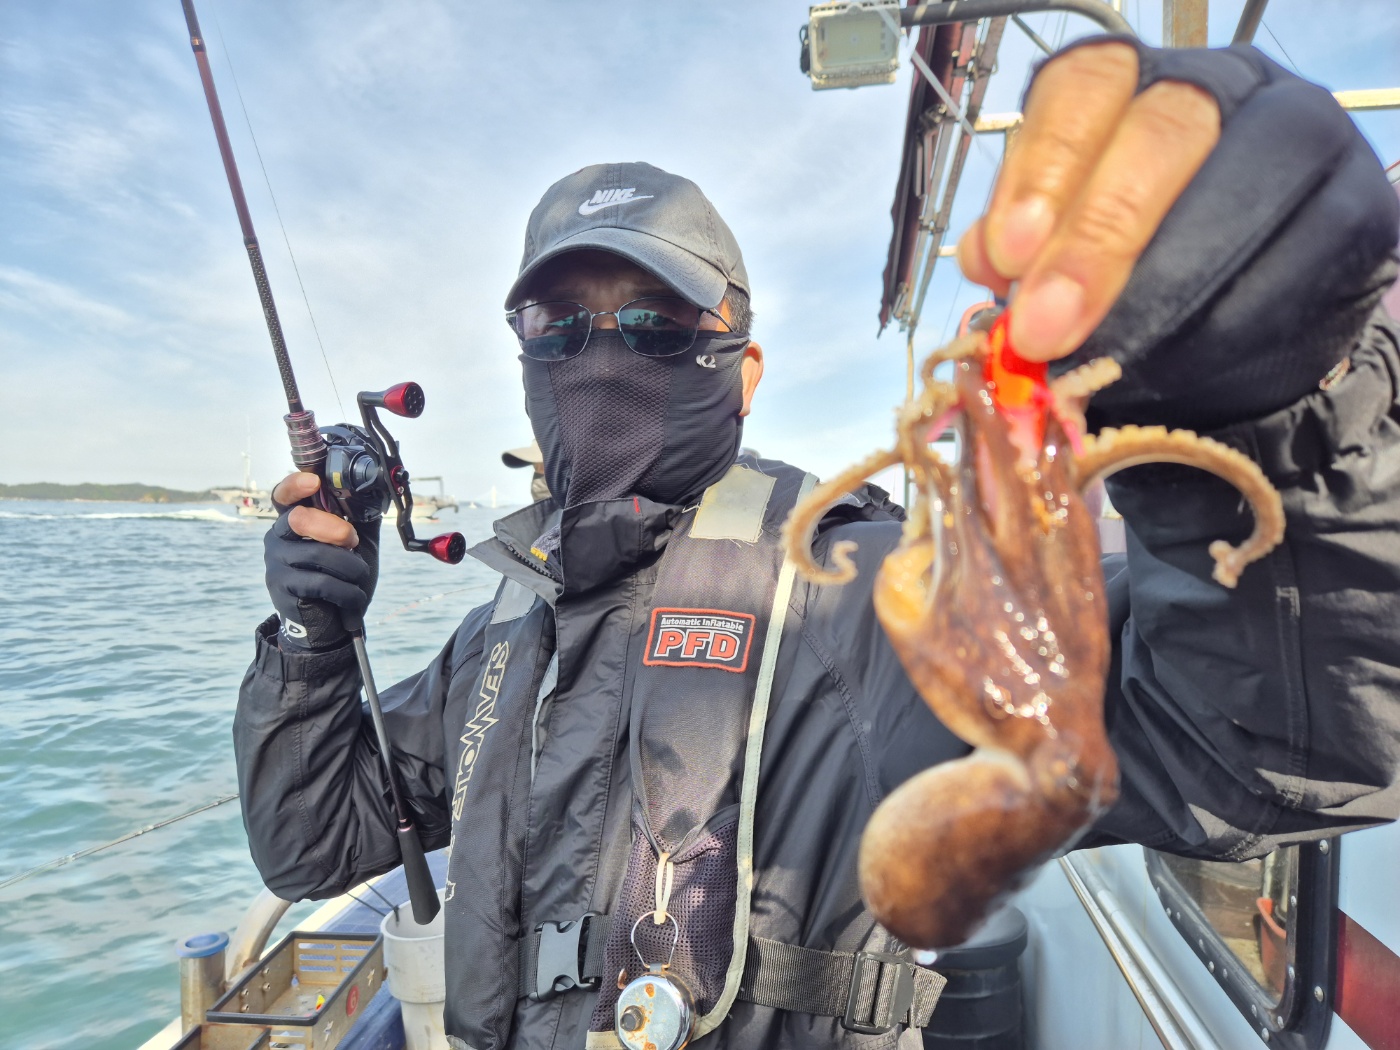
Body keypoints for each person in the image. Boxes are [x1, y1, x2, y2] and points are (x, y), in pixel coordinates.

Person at [237, 39, 1400, 1050]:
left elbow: (1274, 746)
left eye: (653, 324)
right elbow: (314, 845)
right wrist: (310, 639)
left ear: (742, 371)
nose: (601, 354)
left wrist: (1285, 407)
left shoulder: (852, 588)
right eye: (557, 327)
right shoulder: (505, 623)